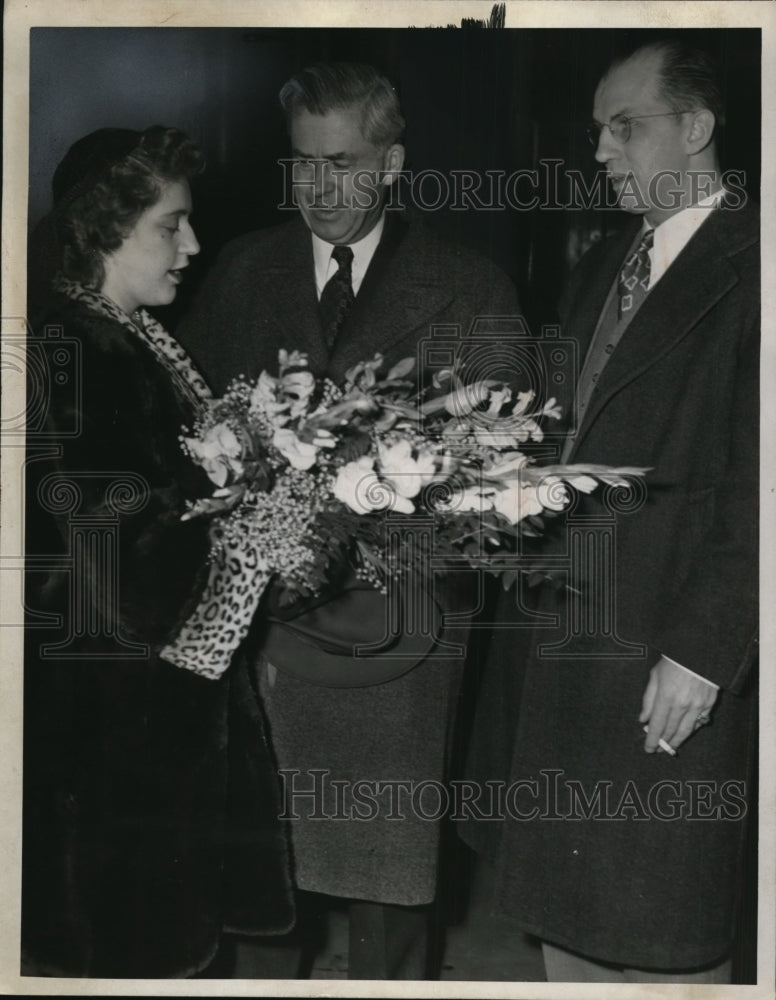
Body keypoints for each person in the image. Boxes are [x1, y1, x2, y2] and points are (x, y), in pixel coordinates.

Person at [177, 62, 519, 979]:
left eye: (343, 163)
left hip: (400, 628)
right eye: (302, 165)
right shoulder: (242, 271)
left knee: (385, 877)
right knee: (260, 861)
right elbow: (194, 433)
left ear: (393, 162)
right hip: (267, 625)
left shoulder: (471, 284)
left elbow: (502, 474)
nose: (319, 190)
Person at [464, 38, 758, 983]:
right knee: (570, 931)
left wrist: (705, 649)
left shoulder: (757, 264)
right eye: (597, 132)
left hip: (668, 650)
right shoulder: (606, 264)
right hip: (567, 655)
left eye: (623, 128)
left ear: (698, 129)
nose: (600, 152)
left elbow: (764, 482)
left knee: (663, 932)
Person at [22, 126, 294, 978]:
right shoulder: (81, 350)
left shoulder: (130, 338)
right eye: (169, 226)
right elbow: (125, 568)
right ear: (103, 229)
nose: (194, 245)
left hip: (148, 723)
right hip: (119, 735)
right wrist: (265, 523)